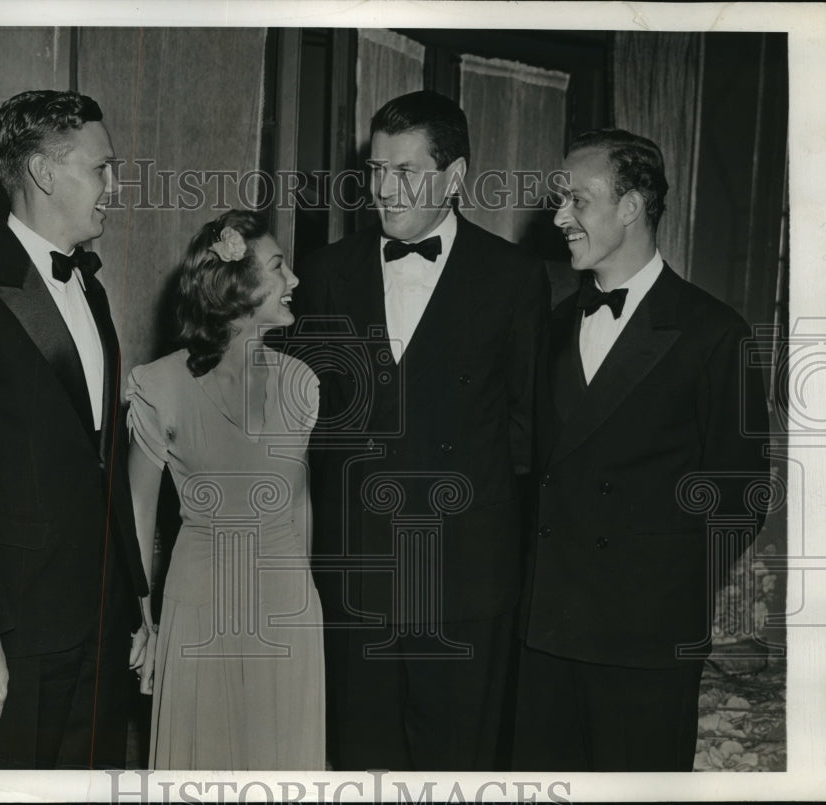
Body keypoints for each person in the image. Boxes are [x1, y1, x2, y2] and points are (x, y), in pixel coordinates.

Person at [290, 90, 550, 770]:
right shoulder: (323, 274)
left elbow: (525, 437)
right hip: (356, 579)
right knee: (358, 762)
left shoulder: (515, 278)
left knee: (455, 767)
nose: (384, 188)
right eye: (376, 169)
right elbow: (306, 430)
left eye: (405, 170)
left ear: (455, 177)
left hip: (464, 581)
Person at [0, 90, 148, 769]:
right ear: (44, 172)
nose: (115, 186)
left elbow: (104, 459)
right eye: (103, 168)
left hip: (99, 622)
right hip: (12, 630)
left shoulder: (93, 292)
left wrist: (136, 603)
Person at [513, 129, 770, 771]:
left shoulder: (714, 332)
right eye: (559, 199)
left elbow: (740, 495)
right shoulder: (550, 326)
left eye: (577, 200)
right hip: (544, 632)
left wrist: (665, 591)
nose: (559, 216)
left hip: (645, 639)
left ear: (632, 207)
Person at [126, 210, 325, 770]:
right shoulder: (159, 384)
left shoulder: (301, 383)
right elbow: (138, 511)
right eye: (280, 267)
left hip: (288, 607)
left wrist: (302, 600)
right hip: (199, 606)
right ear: (236, 288)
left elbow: (299, 500)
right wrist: (144, 620)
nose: (294, 281)